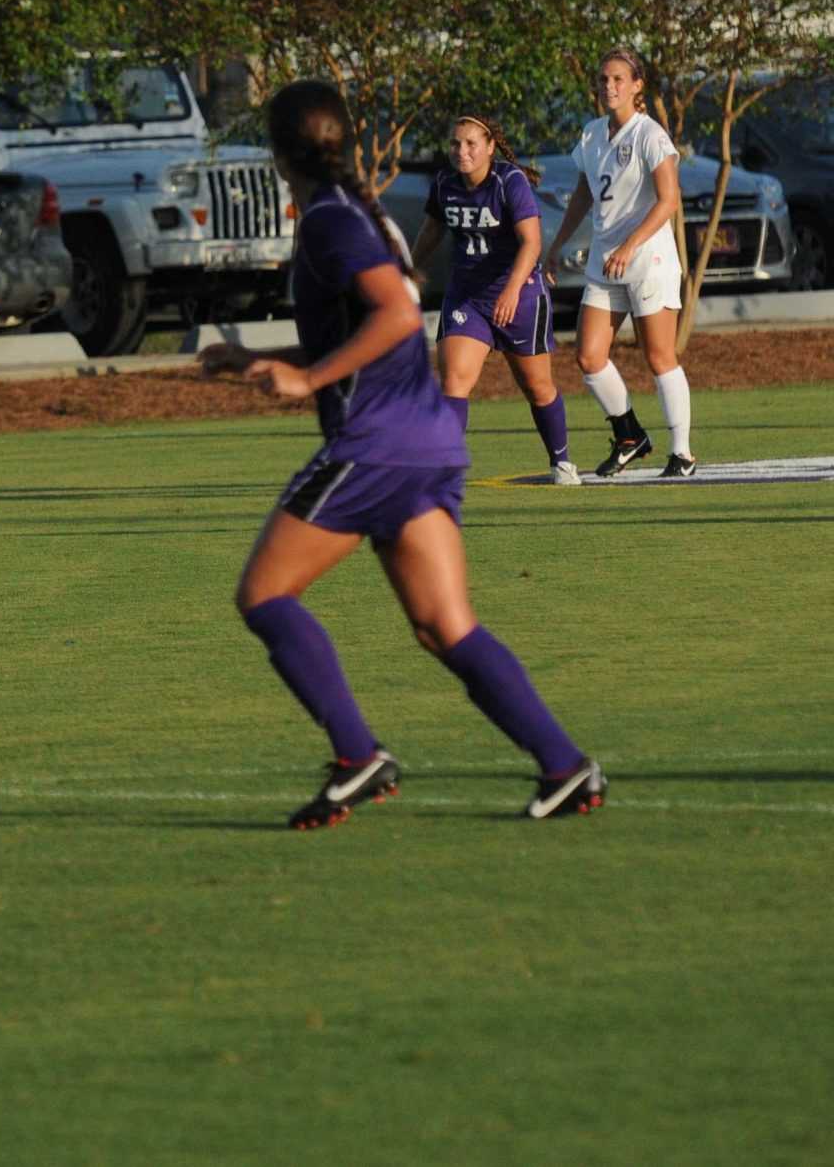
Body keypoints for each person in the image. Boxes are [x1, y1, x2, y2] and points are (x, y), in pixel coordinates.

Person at [201, 81, 606, 828]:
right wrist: (259, 355)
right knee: (444, 627)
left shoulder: (328, 216)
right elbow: (371, 322)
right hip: (429, 442)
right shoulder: (359, 210)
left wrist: (309, 378)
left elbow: (394, 311)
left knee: (263, 595)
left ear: (282, 152)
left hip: (377, 446)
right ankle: (565, 765)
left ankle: (358, 756)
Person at [548, 47, 693, 478]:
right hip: (605, 261)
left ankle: (682, 453)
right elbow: (583, 194)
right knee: (589, 357)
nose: (609, 86)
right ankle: (630, 435)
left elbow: (669, 200)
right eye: (603, 79)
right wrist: (558, 243)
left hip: (648, 258)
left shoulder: (649, 135)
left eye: (617, 79)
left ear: (637, 85)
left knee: (659, 355)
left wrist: (630, 245)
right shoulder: (592, 134)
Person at [410, 114, 578, 484]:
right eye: (455, 143)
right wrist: (409, 270)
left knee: (537, 387)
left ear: (489, 147)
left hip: (519, 293)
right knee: (454, 381)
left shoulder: (509, 181)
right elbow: (432, 229)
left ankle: (562, 461)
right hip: (467, 297)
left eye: (471, 143)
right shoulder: (444, 183)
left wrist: (512, 290)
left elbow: (532, 243)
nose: (462, 151)